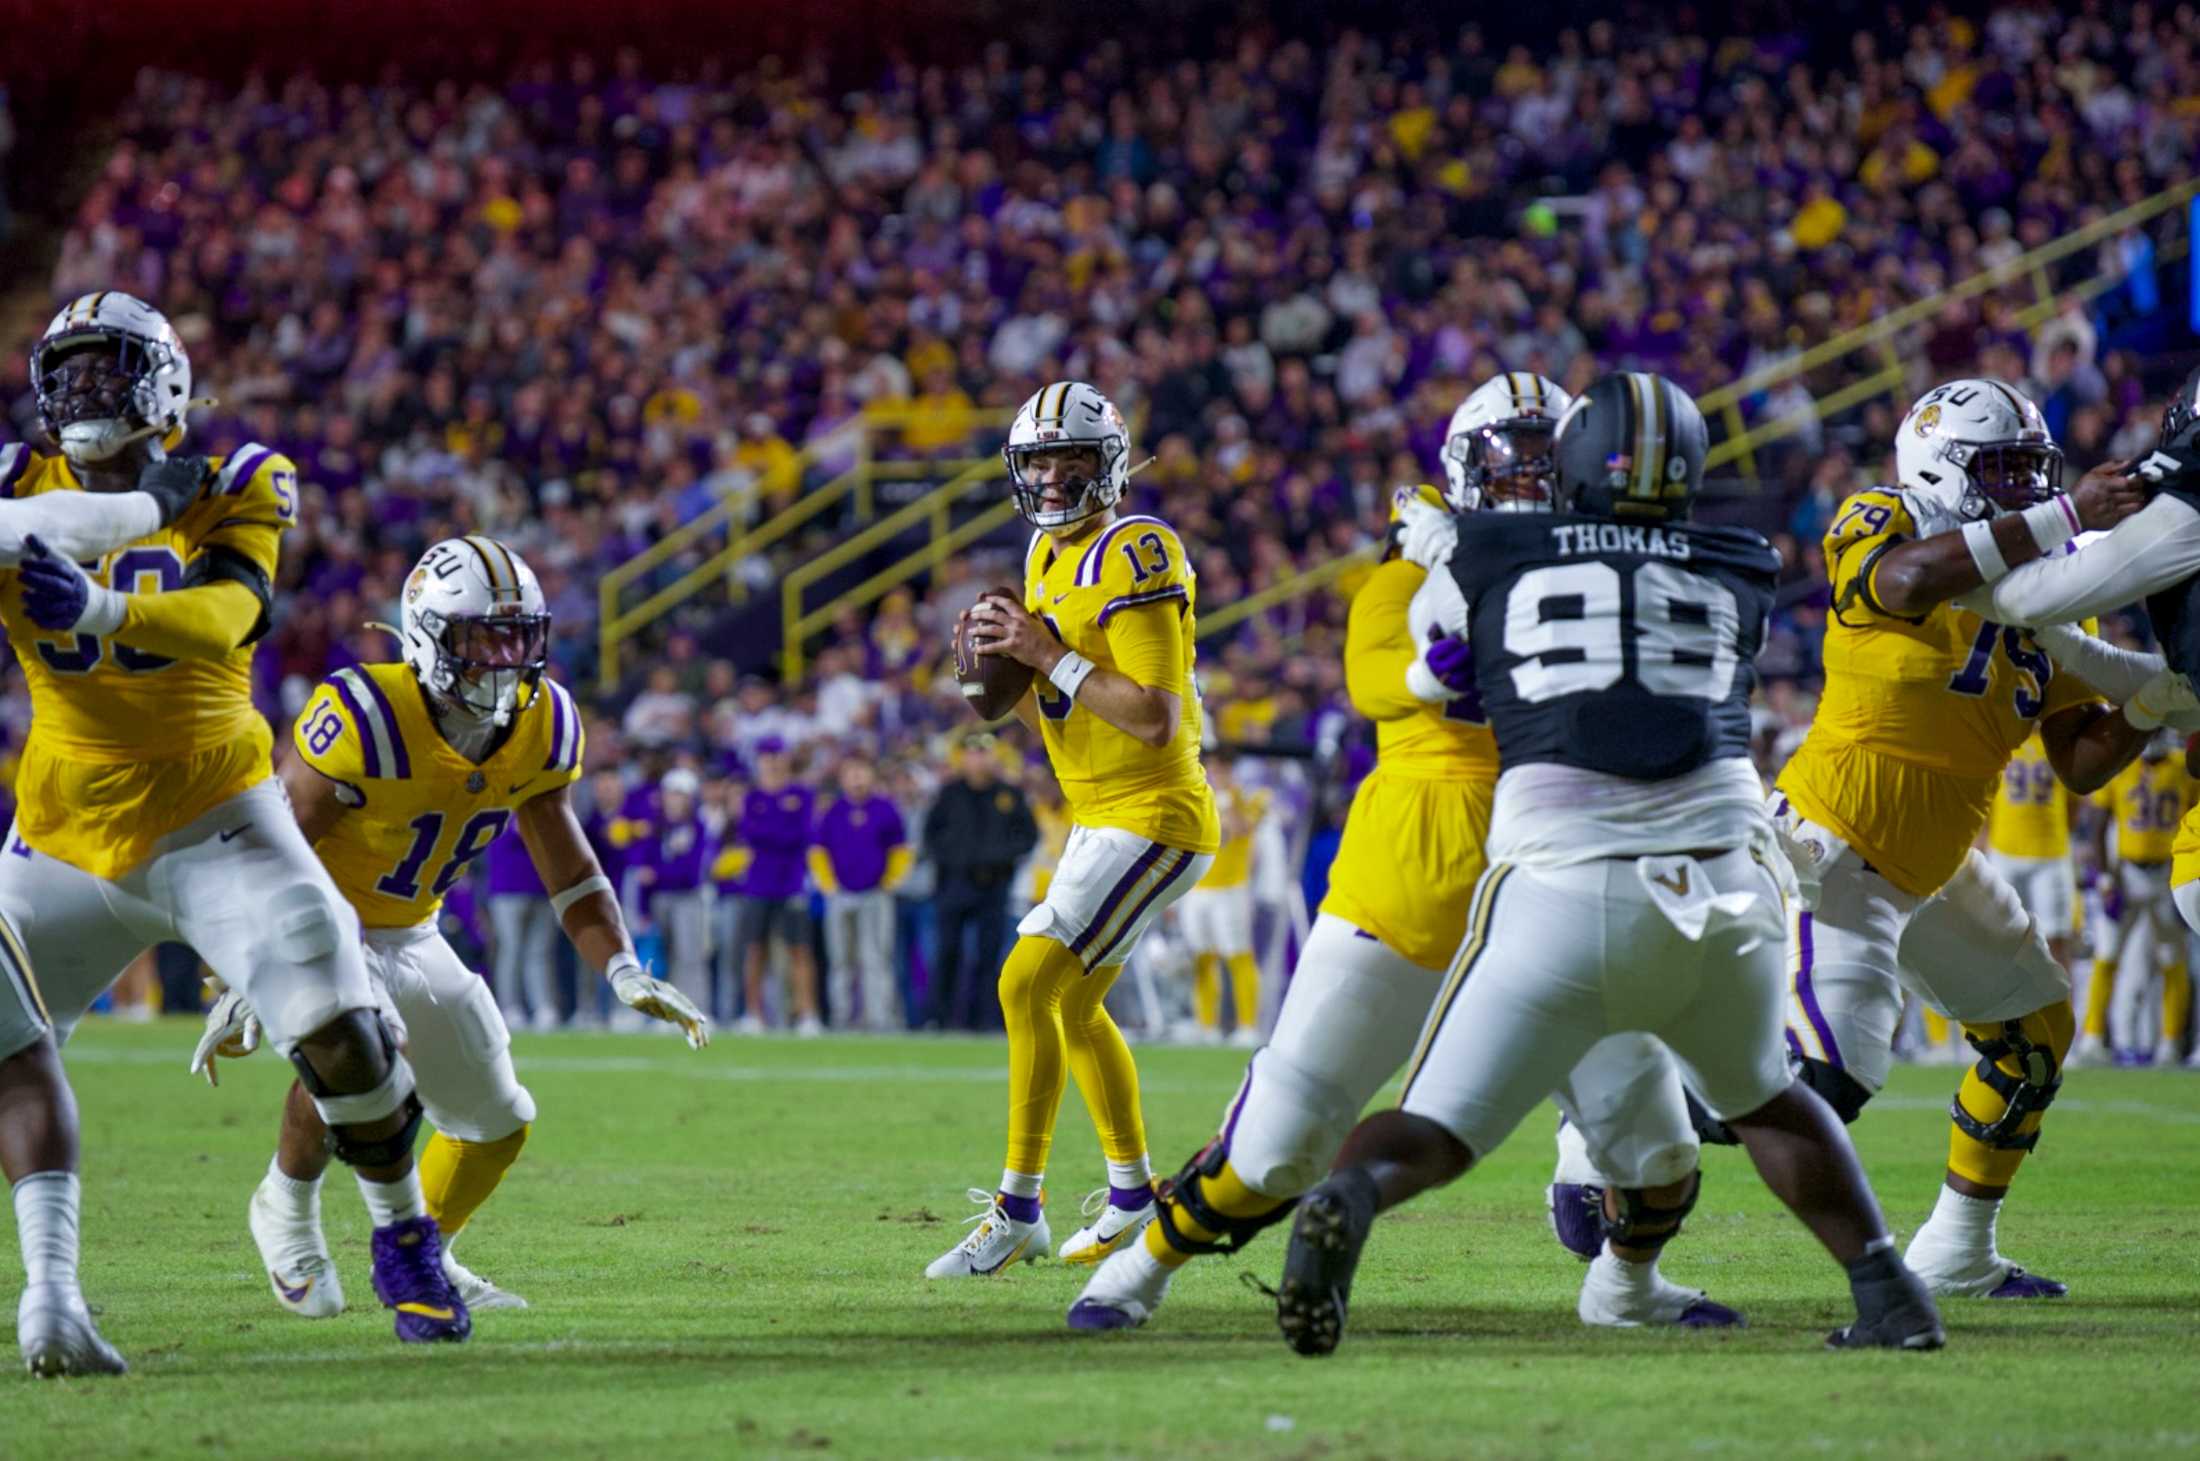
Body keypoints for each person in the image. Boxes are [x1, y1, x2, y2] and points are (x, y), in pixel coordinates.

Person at [1274, 371, 1945, 1357]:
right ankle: (1890, 1292)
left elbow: (1450, 617)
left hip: (1564, 882)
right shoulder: (1739, 559)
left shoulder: (1490, 548)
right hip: (1722, 888)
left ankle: (1350, 1194)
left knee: (1442, 1125)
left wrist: (1435, 543)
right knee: (1765, 1094)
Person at [1077, 373, 1729, 1332]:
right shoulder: (1405, 577)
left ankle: (1621, 1287)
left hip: (1560, 875)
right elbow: (1384, 680)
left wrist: (1472, 558)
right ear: (1469, 471)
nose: (1533, 485)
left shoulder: (1594, 580)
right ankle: (1137, 1268)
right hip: (1415, 872)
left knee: (1656, 1139)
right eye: (1513, 466)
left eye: (1552, 464)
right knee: (1282, 1143)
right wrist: (1449, 606)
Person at [0, 292, 478, 1365]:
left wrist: (105, 611)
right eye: (65, 370)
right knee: (8, 1062)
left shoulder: (238, 477)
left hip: (218, 815)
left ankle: (403, 1236)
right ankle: (55, 1298)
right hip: (59, 838)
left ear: (163, 379)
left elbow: (232, 611)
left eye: (105, 368)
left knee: (344, 1032)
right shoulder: (15, 484)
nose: (81, 392)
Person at [195, 538, 708, 1326]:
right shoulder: (366, 712)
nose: (506, 658)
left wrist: (623, 968)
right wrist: (240, 967)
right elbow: (270, 843)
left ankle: (426, 1250)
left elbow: (570, 869)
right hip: (319, 920)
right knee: (366, 1045)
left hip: (413, 928)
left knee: (497, 1118)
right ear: (428, 635)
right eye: (482, 637)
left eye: (519, 635)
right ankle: (285, 1208)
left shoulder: (545, 722)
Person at [1771, 377, 2180, 1300]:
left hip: (1939, 860)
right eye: (2002, 470)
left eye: (2035, 471)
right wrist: (2070, 511)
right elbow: (1906, 581)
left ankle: (1956, 1249)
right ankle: (1612, 1135)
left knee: (2035, 1030)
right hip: (1836, 842)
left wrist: (2163, 698)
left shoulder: (2052, 584)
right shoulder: (1884, 516)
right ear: (1939, 466)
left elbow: (2080, 758)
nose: (2027, 489)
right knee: (1822, 1079)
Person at [929, 380, 1219, 1278]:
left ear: (1111, 465)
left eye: (1071, 460)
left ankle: (1020, 1207)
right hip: (1100, 817)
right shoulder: (1044, 557)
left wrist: (1045, 653)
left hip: (1156, 811)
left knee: (1026, 983)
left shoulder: (1136, 548)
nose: (1053, 479)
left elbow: (1154, 717)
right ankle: (1135, 1197)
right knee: (1078, 1005)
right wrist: (996, 676)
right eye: (1039, 461)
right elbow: (1056, 709)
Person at [2085, 733, 2194, 1063]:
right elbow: (2098, 825)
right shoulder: (2121, 766)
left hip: (2167, 872)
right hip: (2126, 874)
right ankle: (2092, 1039)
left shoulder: (2184, 767)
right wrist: (2104, 879)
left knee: (2173, 960)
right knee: (2106, 955)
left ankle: (2171, 1043)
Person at [919, 736, 1036, 1032]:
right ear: (963, 758)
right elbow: (930, 835)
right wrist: (951, 859)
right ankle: (940, 1018)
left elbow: (1027, 836)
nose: (978, 760)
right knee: (947, 952)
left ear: (994, 757)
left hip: (993, 886)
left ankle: (986, 1019)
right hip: (954, 885)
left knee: (990, 954)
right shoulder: (949, 794)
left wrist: (1001, 859)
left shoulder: (1009, 795)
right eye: (972, 754)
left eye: (983, 753)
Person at [724, 741, 820, 1035]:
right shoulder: (753, 797)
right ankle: (754, 1014)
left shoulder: (801, 795)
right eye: (767, 757)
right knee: (755, 950)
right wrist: (780, 830)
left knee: (800, 950)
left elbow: (802, 834)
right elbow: (751, 833)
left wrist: (772, 832)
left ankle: (807, 1014)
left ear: (787, 759)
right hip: (758, 884)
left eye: (777, 756)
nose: (773, 762)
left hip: (792, 883)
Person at [809, 758, 912, 1031]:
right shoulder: (833, 812)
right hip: (841, 895)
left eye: (861, 772)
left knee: (876, 956)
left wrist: (889, 882)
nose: (856, 778)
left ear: (871, 776)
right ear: (842, 778)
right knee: (840, 958)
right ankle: (842, 1017)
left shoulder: (885, 809)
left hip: (875, 894)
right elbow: (818, 851)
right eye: (851, 772)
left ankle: (878, 1017)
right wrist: (829, 886)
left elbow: (900, 851)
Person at [1173, 755, 1267, 1046]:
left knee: (1238, 955)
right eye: (1212, 766)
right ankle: (1207, 1025)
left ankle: (1248, 1025)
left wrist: (1228, 797)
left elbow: (1239, 830)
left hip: (1231, 888)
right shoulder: (1198, 796)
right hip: (1197, 888)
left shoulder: (1250, 797)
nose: (1215, 772)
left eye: (1221, 766)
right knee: (1202, 956)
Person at [639, 768, 718, 1024]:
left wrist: (659, 875)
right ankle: (664, 1015)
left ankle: (695, 1011)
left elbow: (691, 873)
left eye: (680, 795)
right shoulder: (657, 827)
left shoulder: (698, 828)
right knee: (660, 957)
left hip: (688, 898)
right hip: (660, 899)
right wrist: (644, 907)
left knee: (690, 957)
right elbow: (643, 869)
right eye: (671, 794)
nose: (674, 800)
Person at [484, 828, 561, 1031]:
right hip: (506, 888)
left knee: (539, 952)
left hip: (541, 887)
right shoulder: (500, 805)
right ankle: (510, 1007)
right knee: (511, 950)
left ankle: (542, 1006)